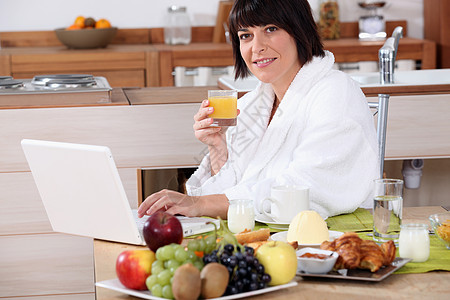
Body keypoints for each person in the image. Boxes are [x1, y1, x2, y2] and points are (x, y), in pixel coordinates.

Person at [138, 0, 378, 220]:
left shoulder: (336, 93)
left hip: (334, 242)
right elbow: (232, 194)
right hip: (268, 239)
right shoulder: (251, 106)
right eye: (245, 35)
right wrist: (217, 147)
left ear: (299, 30)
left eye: (270, 29)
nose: (257, 47)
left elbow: (305, 189)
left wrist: (200, 203)